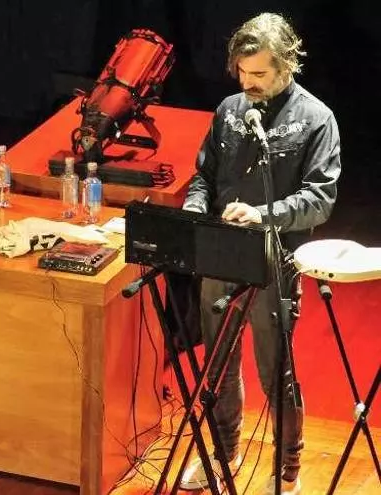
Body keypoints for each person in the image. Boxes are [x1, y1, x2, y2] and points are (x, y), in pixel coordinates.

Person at [180, 12, 341, 495]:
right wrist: (195, 208)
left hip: (275, 260)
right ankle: (223, 450)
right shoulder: (229, 109)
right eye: (242, 73)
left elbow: (320, 199)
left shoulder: (316, 119)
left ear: (286, 65)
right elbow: (204, 175)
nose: (248, 83)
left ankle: (287, 467)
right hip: (221, 252)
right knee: (218, 364)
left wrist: (262, 213)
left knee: (276, 372)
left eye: (260, 74)